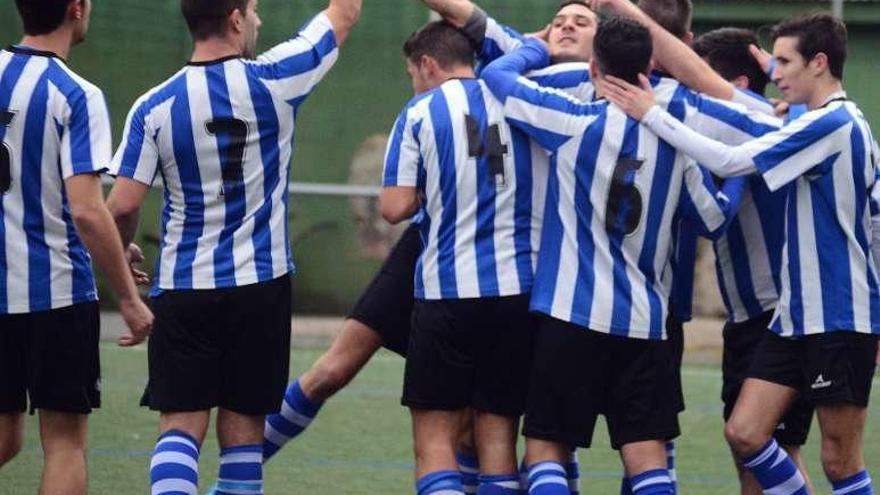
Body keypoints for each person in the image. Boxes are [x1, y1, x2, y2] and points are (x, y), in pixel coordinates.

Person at [480, 15, 774, 495]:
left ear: (594, 70)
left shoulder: (571, 121)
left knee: (545, 449)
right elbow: (715, 219)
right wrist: (735, 167)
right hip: (644, 322)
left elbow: (497, 79)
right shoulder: (677, 146)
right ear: (650, 69)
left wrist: (535, 48)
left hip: (569, 314)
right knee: (646, 456)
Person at [605, 12, 879, 495]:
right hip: (792, 317)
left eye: (784, 62)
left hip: (838, 314)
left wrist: (650, 113)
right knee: (744, 432)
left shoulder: (834, 123)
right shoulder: (810, 121)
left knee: (839, 461)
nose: (776, 73)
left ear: (819, 64)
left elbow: (730, 160)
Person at [105, 0, 361, 493]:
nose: (260, 22)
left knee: (180, 428)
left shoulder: (153, 105)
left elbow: (120, 207)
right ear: (237, 19)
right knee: (243, 439)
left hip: (184, 286)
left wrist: (121, 255)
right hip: (259, 286)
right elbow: (344, 13)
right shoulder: (274, 79)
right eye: (255, 11)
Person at [0, 0, 154, 493]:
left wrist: (112, 247)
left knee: (5, 437)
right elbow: (88, 210)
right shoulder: (76, 94)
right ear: (76, 9)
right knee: (64, 444)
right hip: (57, 294)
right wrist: (128, 297)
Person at [380, 21, 538, 495]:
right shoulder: (519, 100)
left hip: (446, 292)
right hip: (515, 292)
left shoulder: (419, 112)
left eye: (413, 73)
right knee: (498, 440)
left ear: (428, 64)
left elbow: (393, 207)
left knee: (434, 439)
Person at [691, 26, 816, 495]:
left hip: (777, 314)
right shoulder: (768, 125)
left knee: (767, 447)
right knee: (754, 460)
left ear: (736, 89)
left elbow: (712, 220)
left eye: (696, 79)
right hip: (748, 317)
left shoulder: (764, 129)